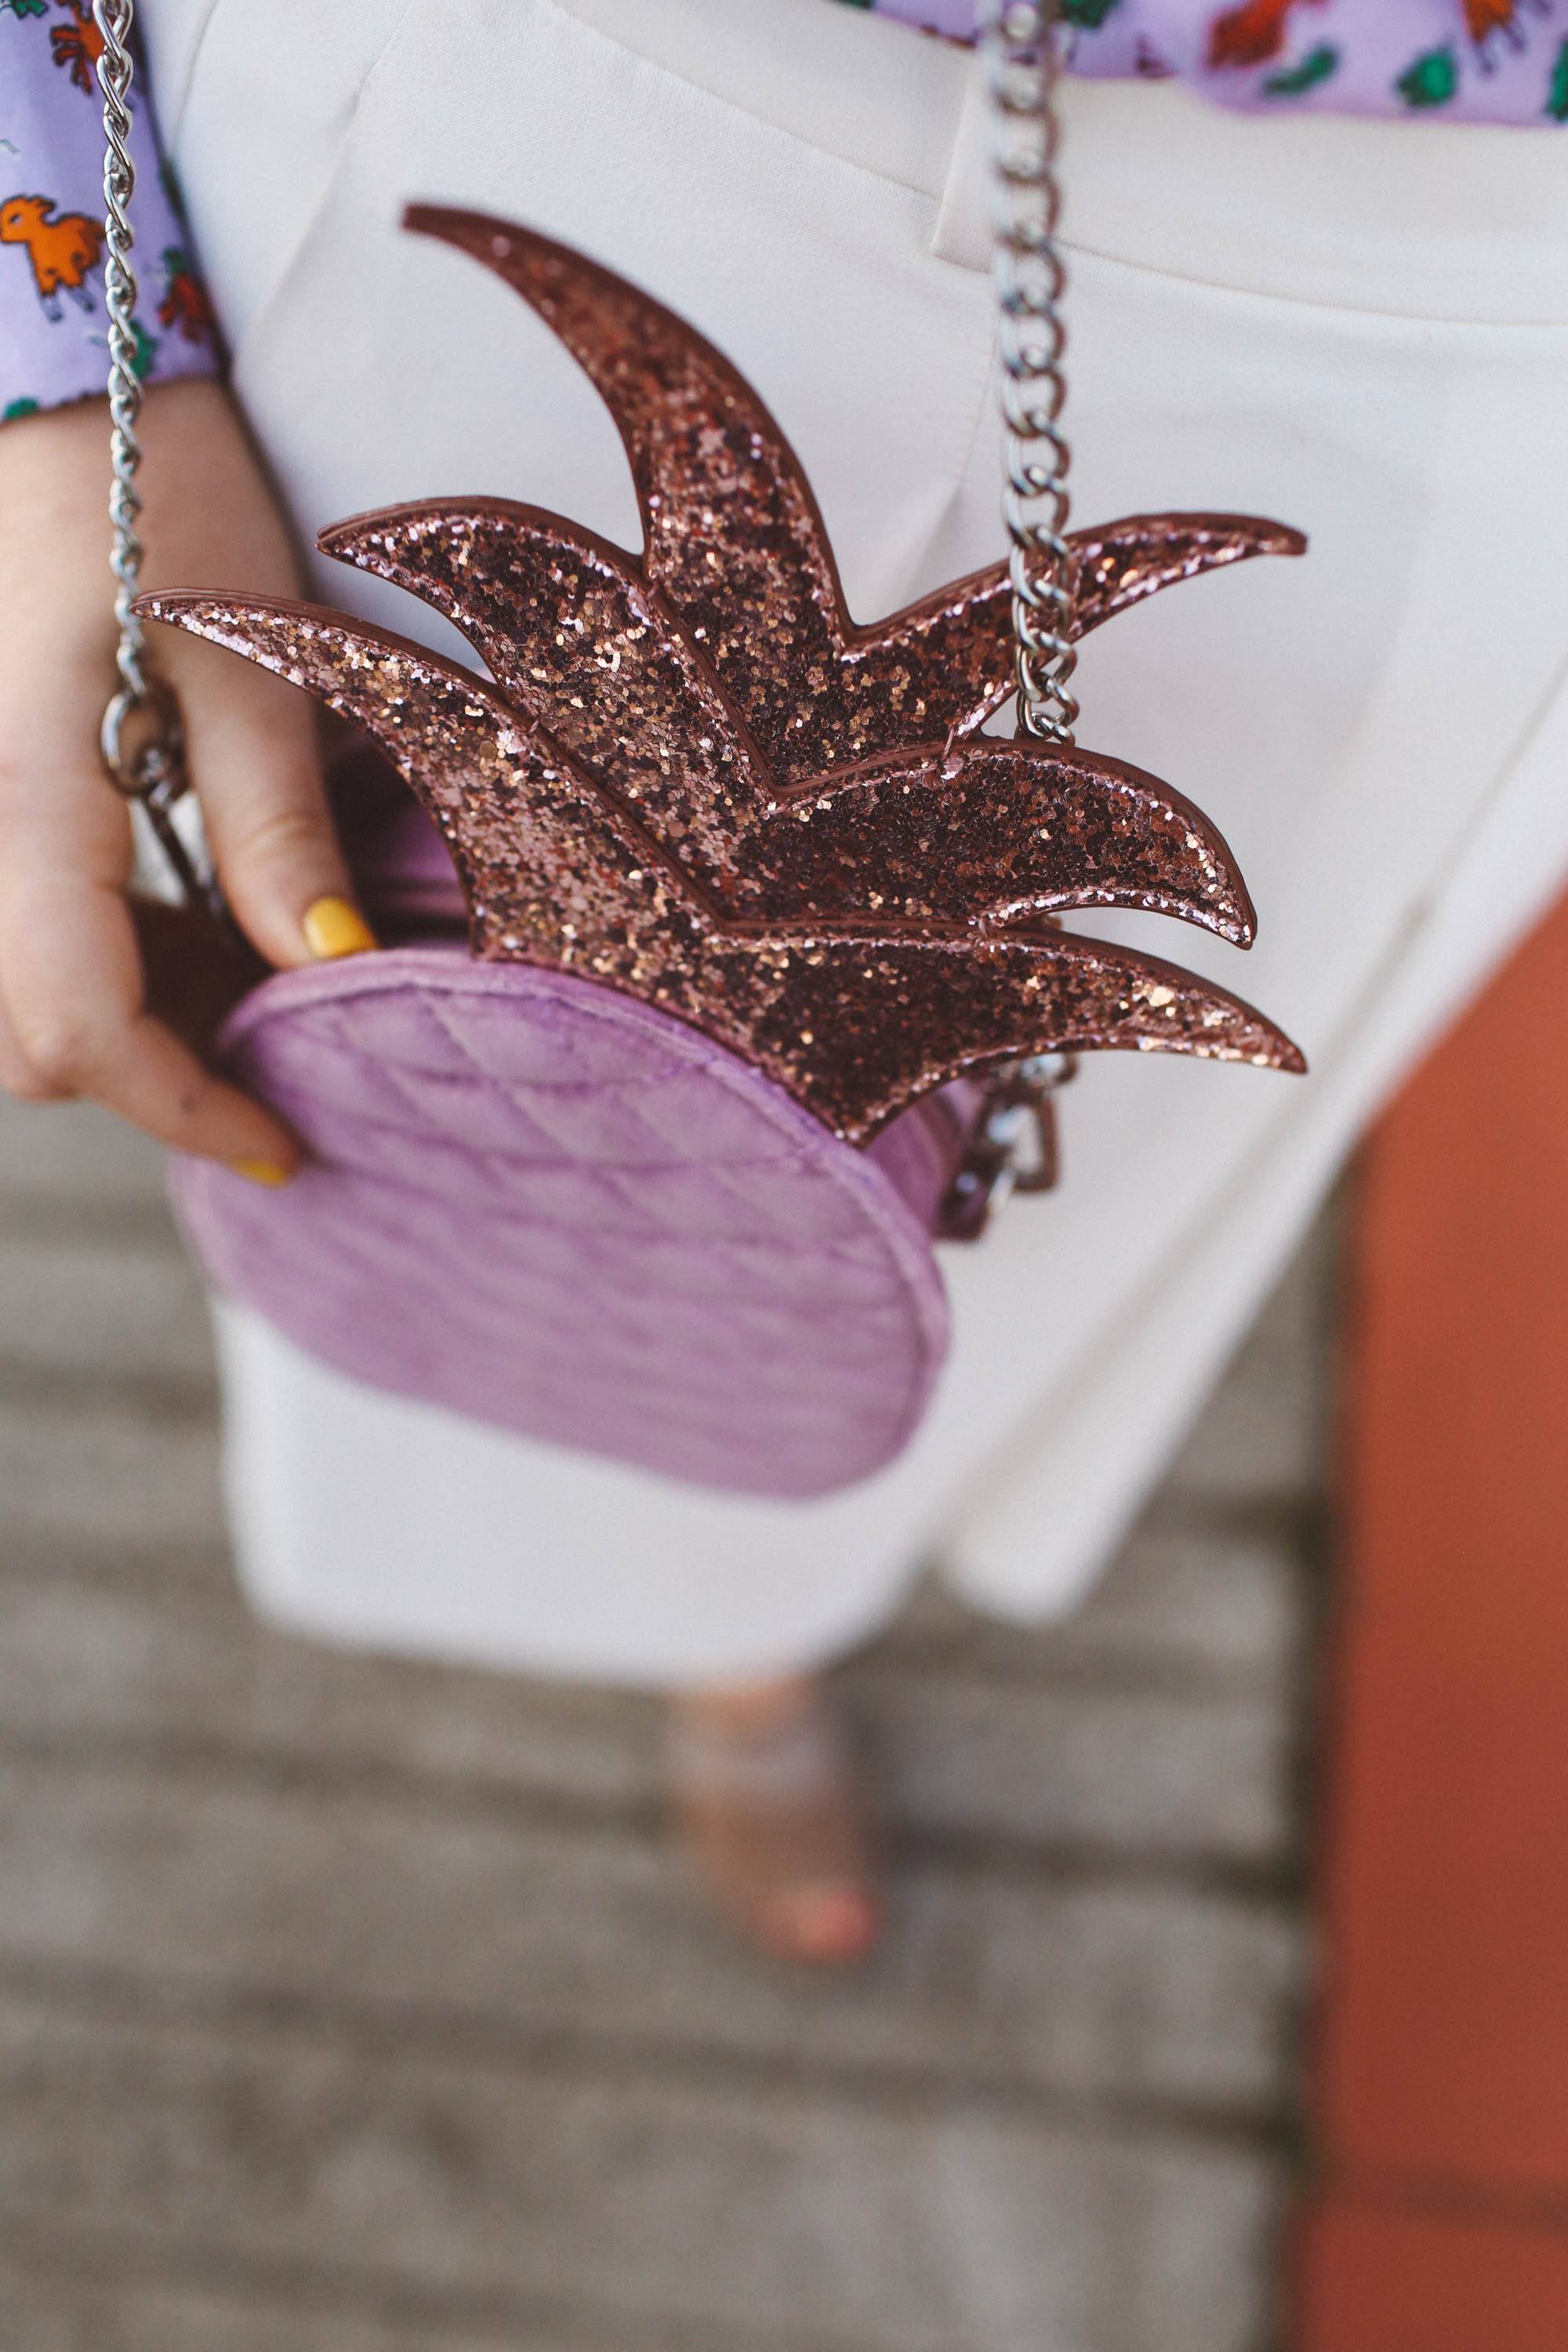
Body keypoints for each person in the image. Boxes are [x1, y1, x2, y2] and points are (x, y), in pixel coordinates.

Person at [2, 0, 1565, 1963]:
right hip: (560, 95)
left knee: (973, 1230)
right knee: (410, 1101)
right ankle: (705, 1630)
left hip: (1453, 250)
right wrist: (60, 347)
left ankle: (754, 1618)